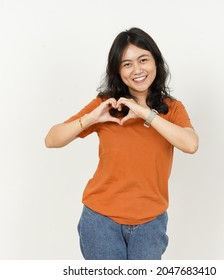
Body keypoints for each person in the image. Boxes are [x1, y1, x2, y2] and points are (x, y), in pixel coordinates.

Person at [45, 27, 199, 260]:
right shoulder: (107, 105)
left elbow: (190, 144)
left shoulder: (171, 108)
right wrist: (90, 119)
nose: (137, 70)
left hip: (150, 224)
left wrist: (145, 113)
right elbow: (52, 139)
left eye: (143, 60)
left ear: (156, 62)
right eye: (127, 64)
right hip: (100, 222)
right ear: (118, 71)